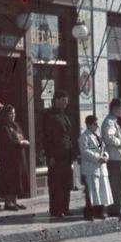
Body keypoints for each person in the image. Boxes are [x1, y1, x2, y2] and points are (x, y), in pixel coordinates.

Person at [43, 89, 73, 218]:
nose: (66, 103)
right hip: (55, 155)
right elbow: (46, 137)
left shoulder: (64, 114)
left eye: (67, 101)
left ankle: (65, 208)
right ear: (56, 100)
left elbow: (68, 135)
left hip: (66, 154)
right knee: (56, 183)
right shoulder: (49, 115)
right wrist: (49, 156)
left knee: (66, 183)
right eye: (63, 101)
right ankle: (56, 209)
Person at [78, 116, 113, 219]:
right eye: (94, 124)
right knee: (92, 191)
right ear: (88, 125)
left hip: (101, 167)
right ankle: (89, 213)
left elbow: (104, 148)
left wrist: (106, 156)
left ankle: (100, 212)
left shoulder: (98, 136)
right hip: (91, 168)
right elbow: (85, 152)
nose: (96, 126)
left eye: (97, 124)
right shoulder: (84, 137)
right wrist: (98, 158)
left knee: (101, 190)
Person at [0, 104, 30, 210]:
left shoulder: (16, 125)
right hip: (9, 158)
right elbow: (7, 141)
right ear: (5, 114)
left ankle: (14, 201)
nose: (13, 115)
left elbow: (20, 136)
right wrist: (19, 143)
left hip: (19, 156)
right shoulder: (3, 127)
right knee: (9, 179)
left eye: (14, 113)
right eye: (10, 113)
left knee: (17, 179)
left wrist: (24, 142)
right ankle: (8, 202)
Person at [101, 98, 121, 217]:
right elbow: (109, 138)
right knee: (117, 184)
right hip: (114, 158)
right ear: (113, 108)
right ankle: (116, 209)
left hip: (118, 157)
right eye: (120, 108)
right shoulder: (110, 122)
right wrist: (120, 141)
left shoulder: (114, 121)